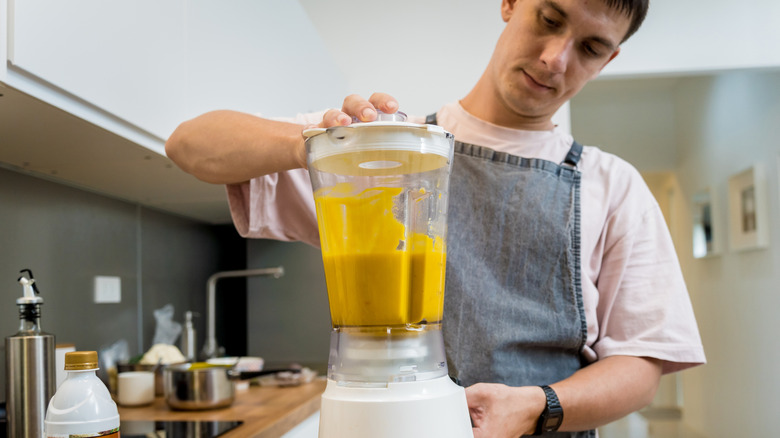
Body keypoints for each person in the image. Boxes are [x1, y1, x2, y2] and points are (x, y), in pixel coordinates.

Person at [165, 0, 706, 436]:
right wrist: (323, 146)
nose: (554, 59)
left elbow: (640, 367)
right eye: (549, 18)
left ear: (607, 60)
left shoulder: (612, 186)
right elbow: (191, 145)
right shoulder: (379, 154)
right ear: (510, 2)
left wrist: (536, 406)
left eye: (589, 48)